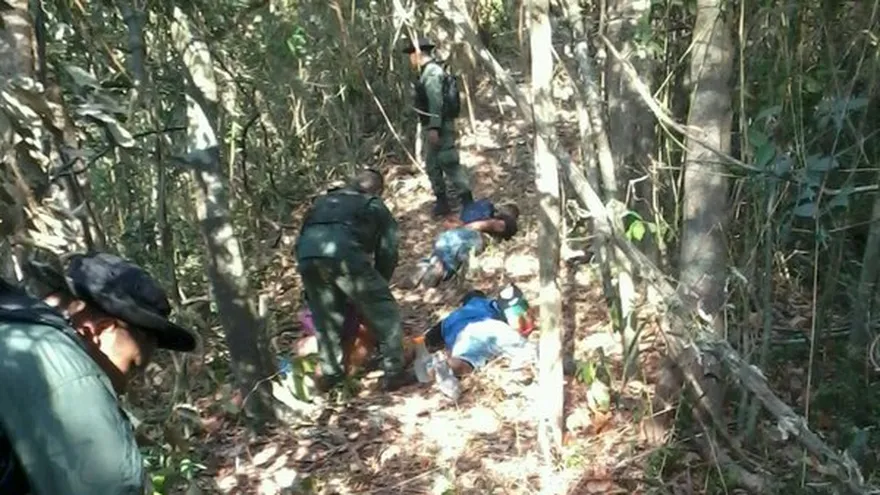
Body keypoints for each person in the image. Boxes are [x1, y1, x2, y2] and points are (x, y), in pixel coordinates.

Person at [0, 252, 199, 495]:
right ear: (99, 330)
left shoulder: (15, 329)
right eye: (132, 367)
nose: (125, 387)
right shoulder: (61, 366)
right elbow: (108, 486)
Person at [295, 169, 413, 392]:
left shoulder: (323, 202)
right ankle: (394, 372)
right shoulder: (373, 205)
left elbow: (303, 235)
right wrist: (379, 285)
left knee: (326, 318)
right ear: (378, 190)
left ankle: (331, 374)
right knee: (386, 312)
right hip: (344, 256)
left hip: (307, 257)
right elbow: (388, 251)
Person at [403, 36, 473, 217]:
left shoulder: (432, 72)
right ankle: (442, 202)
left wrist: (435, 127)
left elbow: (436, 101)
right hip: (431, 126)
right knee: (432, 165)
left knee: (448, 161)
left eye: (411, 54)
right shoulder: (426, 72)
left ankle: (467, 201)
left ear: (418, 54)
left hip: (440, 126)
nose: (410, 58)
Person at [422, 290, 537, 399]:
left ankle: (446, 365)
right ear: (483, 297)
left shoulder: (448, 319)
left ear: (463, 304)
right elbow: (511, 310)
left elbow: (428, 340)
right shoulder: (490, 303)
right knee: (528, 352)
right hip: (490, 325)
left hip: (463, 336)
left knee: (466, 363)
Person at [411, 202, 520, 288]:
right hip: (473, 238)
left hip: (478, 238)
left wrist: (463, 227)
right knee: (450, 245)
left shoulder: (506, 222)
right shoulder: (494, 217)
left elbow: (488, 225)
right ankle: (433, 267)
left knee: (449, 241)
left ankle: (437, 267)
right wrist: (459, 225)